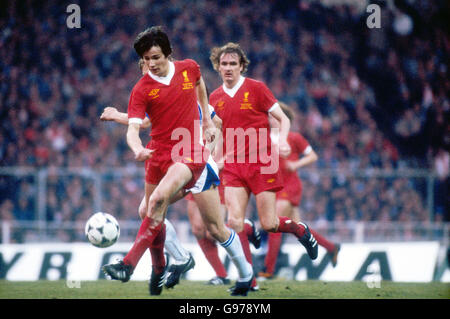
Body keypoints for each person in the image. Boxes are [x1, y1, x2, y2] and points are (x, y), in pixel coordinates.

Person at [101, 27, 254, 296]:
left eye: (155, 58)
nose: (150, 65)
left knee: (213, 228)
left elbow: (210, 107)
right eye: (146, 60)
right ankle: (179, 259)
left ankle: (245, 275)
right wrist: (132, 140)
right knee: (149, 209)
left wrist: (209, 127)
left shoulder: (189, 70)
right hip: (162, 156)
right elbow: (140, 125)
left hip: (194, 157)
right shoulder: (143, 89)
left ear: (167, 54)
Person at [208, 42, 318, 289]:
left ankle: (300, 230)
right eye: (223, 64)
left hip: (262, 163)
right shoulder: (214, 97)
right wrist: (216, 156)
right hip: (235, 166)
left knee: (269, 223)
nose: (228, 68)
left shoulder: (256, 89)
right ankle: (248, 278)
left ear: (241, 66)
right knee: (234, 223)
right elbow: (217, 131)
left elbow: (281, 118)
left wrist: (280, 141)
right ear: (217, 66)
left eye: (232, 64)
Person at [258, 102, 340, 279]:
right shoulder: (264, 138)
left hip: (290, 186)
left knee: (275, 223)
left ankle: (269, 270)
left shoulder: (294, 138)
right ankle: (331, 247)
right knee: (298, 227)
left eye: (272, 115)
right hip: (275, 188)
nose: (269, 118)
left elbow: (313, 156)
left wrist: (296, 164)